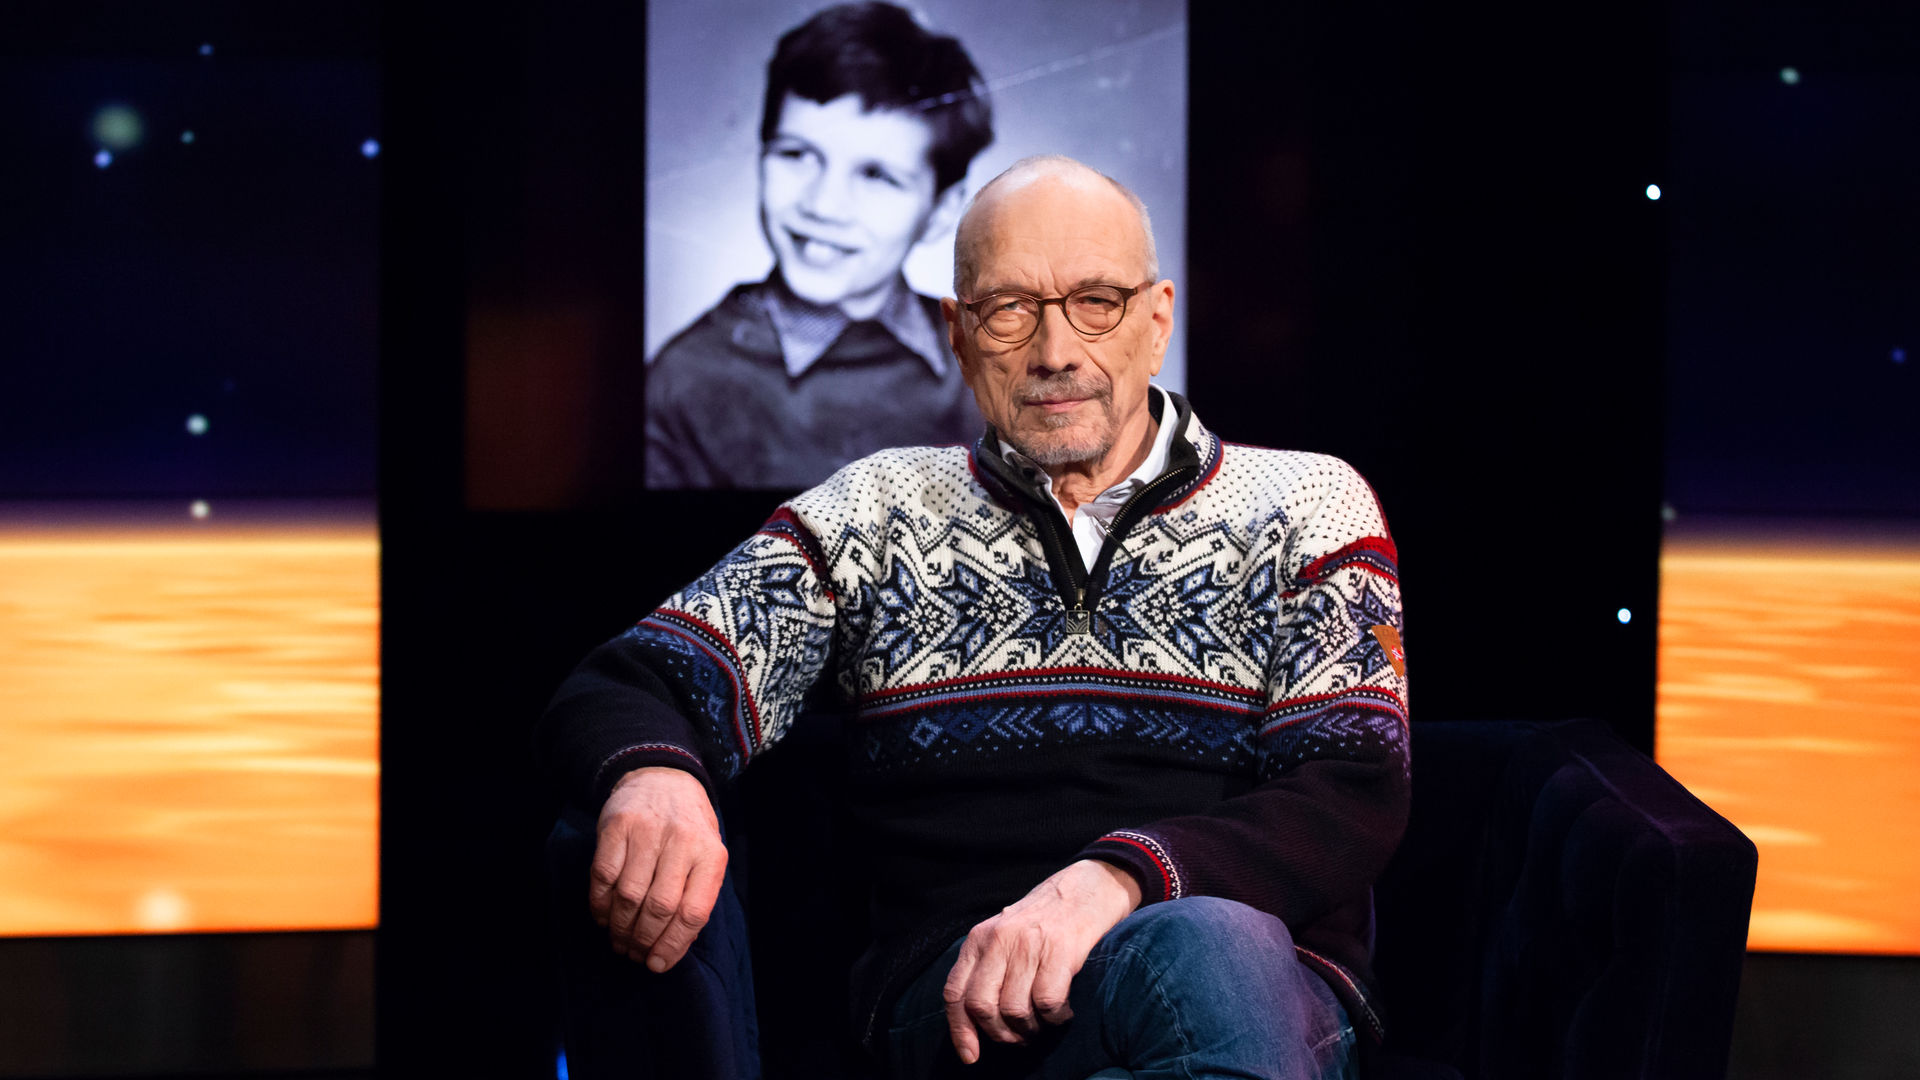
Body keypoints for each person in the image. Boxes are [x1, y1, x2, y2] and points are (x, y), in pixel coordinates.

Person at [542, 155, 1410, 1078]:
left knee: (1205, 947)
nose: (1055, 352)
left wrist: (1114, 882)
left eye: (1096, 303)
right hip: (966, 1004)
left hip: (1255, 988)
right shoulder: (875, 514)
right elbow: (629, 682)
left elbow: (1351, 788)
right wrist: (656, 776)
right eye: (1008, 310)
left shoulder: (1308, 503)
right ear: (958, 336)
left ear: (1157, 321)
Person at [644, 2, 994, 489]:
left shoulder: (988, 365)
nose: (823, 206)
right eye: (797, 154)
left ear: (939, 211)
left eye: (876, 175)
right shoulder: (683, 382)